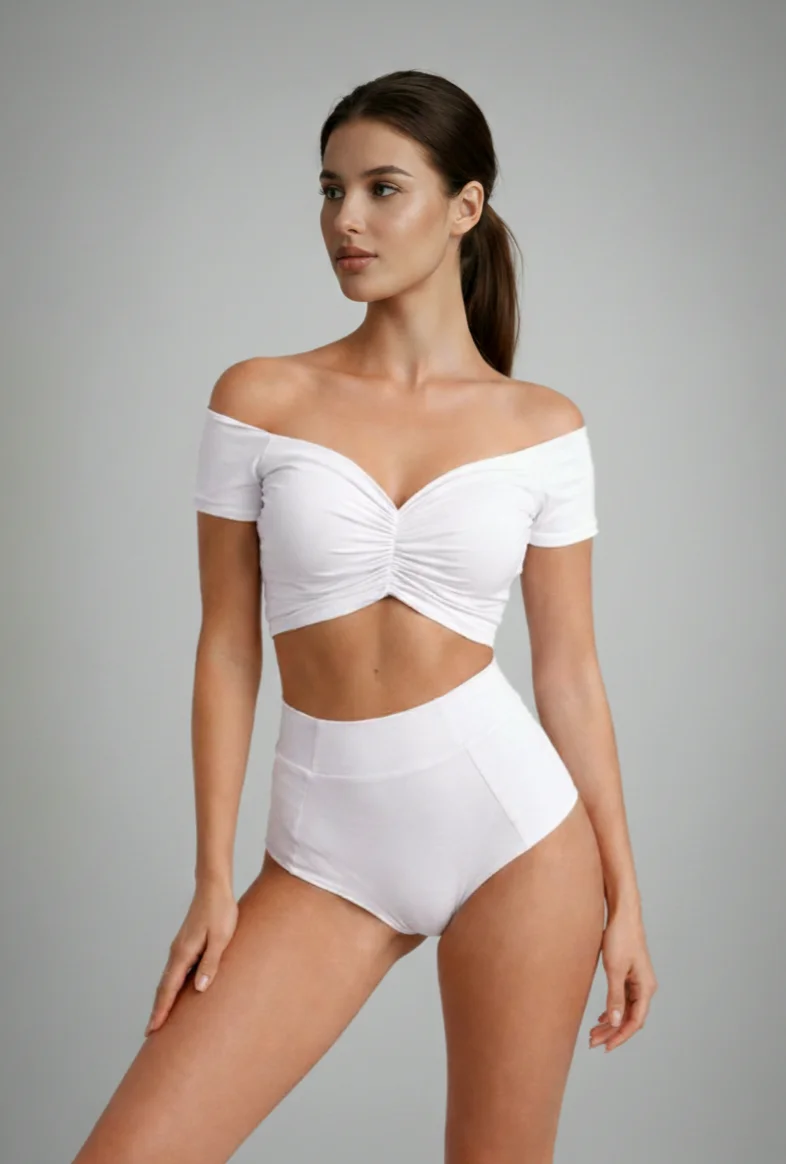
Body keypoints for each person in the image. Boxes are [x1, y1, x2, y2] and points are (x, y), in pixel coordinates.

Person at [71, 68, 657, 1164]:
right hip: (324, 849)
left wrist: (625, 895)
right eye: (331, 189)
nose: (347, 219)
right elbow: (227, 645)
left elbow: (570, 673)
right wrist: (212, 875)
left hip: (518, 839)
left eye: (383, 189)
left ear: (464, 207)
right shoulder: (259, 398)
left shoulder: (542, 427)